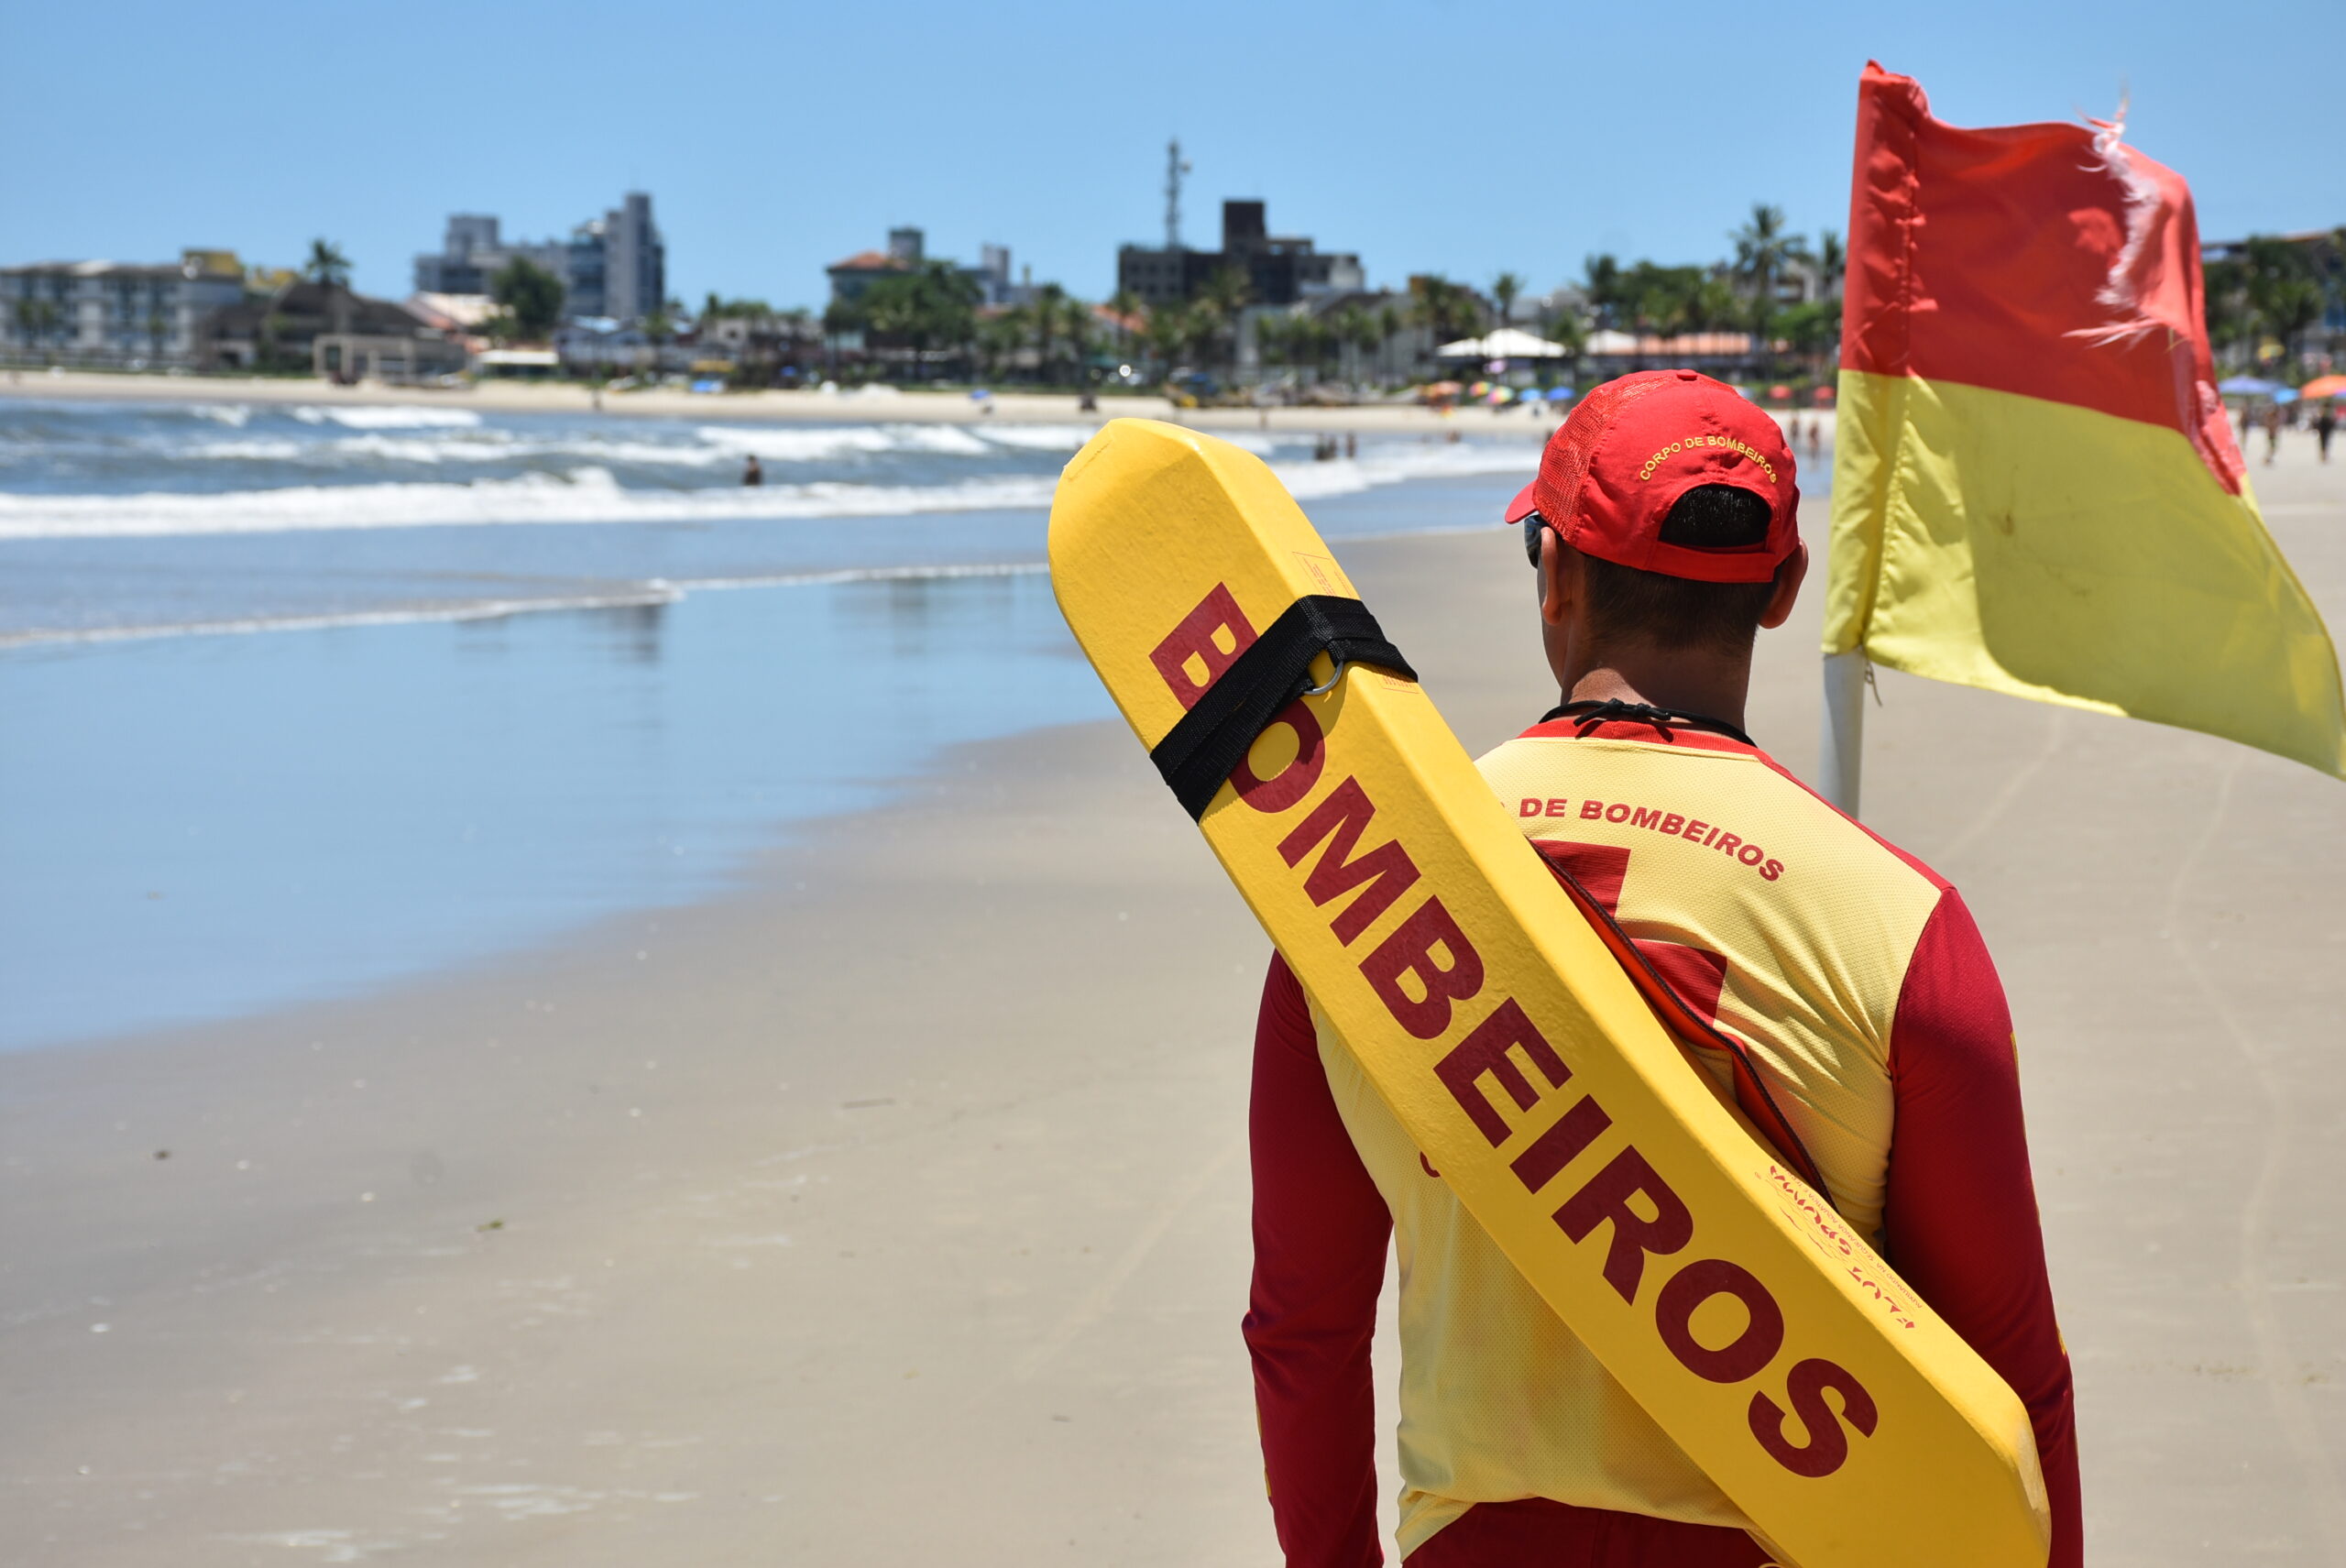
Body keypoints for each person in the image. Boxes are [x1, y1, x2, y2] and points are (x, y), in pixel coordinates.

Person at [1244, 369, 2079, 1568]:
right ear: (1785, 589)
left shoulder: (1356, 886)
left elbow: (1304, 1329)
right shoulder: (1899, 921)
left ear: (1556, 573)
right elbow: (2013, 1387)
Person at [2317, 396, 2335, 464]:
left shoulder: (2329, 407)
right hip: (2322, 425)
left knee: (2326, 440)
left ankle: (2325, 453)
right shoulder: (2322, 408)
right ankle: (2323, 453)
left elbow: (2331, 417)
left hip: (2327, 425)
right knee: (2323, 440)